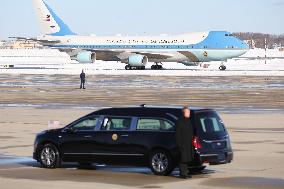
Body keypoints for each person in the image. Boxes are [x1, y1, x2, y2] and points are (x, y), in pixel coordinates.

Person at [175, 106, 194, 179]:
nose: (189, 113)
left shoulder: (188, 121)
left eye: (189, 112)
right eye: (187, 112)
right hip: (182, 144)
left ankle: (186, 172)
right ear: (183, 113)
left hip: (189, 143)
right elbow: (177, 134)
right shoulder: (179, 121)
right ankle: (182, 174)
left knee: (187, 159)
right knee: (183, 159)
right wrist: (179, 145)